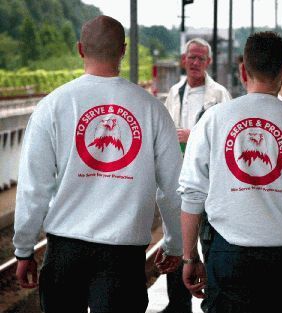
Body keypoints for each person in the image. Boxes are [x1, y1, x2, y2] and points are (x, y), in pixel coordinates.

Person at [13, 15, 183, 313]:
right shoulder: (152, 110)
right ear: (123, 50)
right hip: (124, 254)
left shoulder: (52, 106)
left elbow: (33, 187)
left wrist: (24, 249)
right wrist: (176, 245)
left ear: (81, 49)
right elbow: (171, 188)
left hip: (65, 249)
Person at [176, 31, 282, 313]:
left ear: (242, 71)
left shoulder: (213, 120)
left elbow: (192, 194)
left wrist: (189, 257)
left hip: (227, 257)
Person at [158, 37, 231, 313]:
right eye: (191, 57)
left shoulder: (220, 94)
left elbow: (226, 137)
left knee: (208, 237)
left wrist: (193, 136)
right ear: (183, 60)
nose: (195, 63)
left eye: (201, 58)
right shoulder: (174, 93)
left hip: (209, 180)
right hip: (178, 176)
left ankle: (212, 297)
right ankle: (178, 304)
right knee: (177, 239)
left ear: (209, 62)